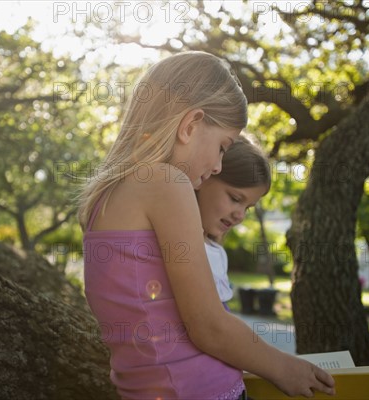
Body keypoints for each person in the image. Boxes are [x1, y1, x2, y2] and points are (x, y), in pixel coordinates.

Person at [78, 51, 335, 400]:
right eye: (222, 147)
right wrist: (285, 367)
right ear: (190, 124)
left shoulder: (105, 196)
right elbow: (208, 326)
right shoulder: (167, 182)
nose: (217, 166)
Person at [196, 136, 271, 309]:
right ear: (205, 175)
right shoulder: (175, 244)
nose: (240, 216)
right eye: (235, 199)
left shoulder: (218, 254)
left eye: (248, 208)